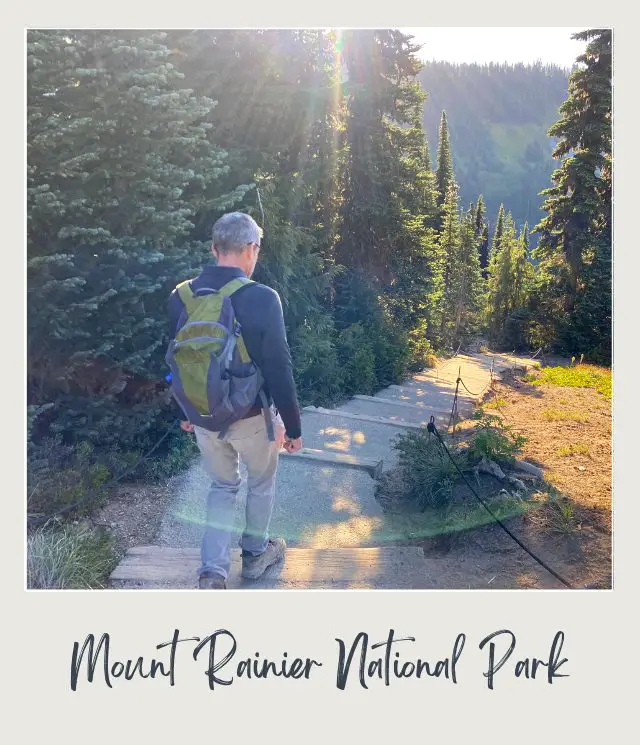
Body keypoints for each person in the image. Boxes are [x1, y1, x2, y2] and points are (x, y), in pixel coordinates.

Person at [168, 211, 303, 589]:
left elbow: (175, 360)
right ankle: (256, 557)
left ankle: (213, 570)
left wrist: (186, 410)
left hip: (204, 417)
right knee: (261, 482)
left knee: (222, 486)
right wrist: (292, 428)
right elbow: (279, 367)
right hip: (250, 417)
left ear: (214, 249)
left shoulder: (180, 297)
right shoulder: (262, 298)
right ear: (251, 249)